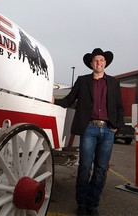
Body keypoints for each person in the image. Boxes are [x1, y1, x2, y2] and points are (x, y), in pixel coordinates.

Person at [54, 48, 124, 216]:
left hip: (108, 130)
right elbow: (70, 99)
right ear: (91, 64)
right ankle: (82, 203)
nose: (98, 63)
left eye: (101, 60)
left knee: (100, 169)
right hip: (89, 129)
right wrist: (54, 100)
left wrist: (116, 126)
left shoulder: (114, 83)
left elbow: (119, 107)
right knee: (85, 167)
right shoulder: (82, 80)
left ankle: (92, 204)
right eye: (95, 60)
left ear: (105, 63)